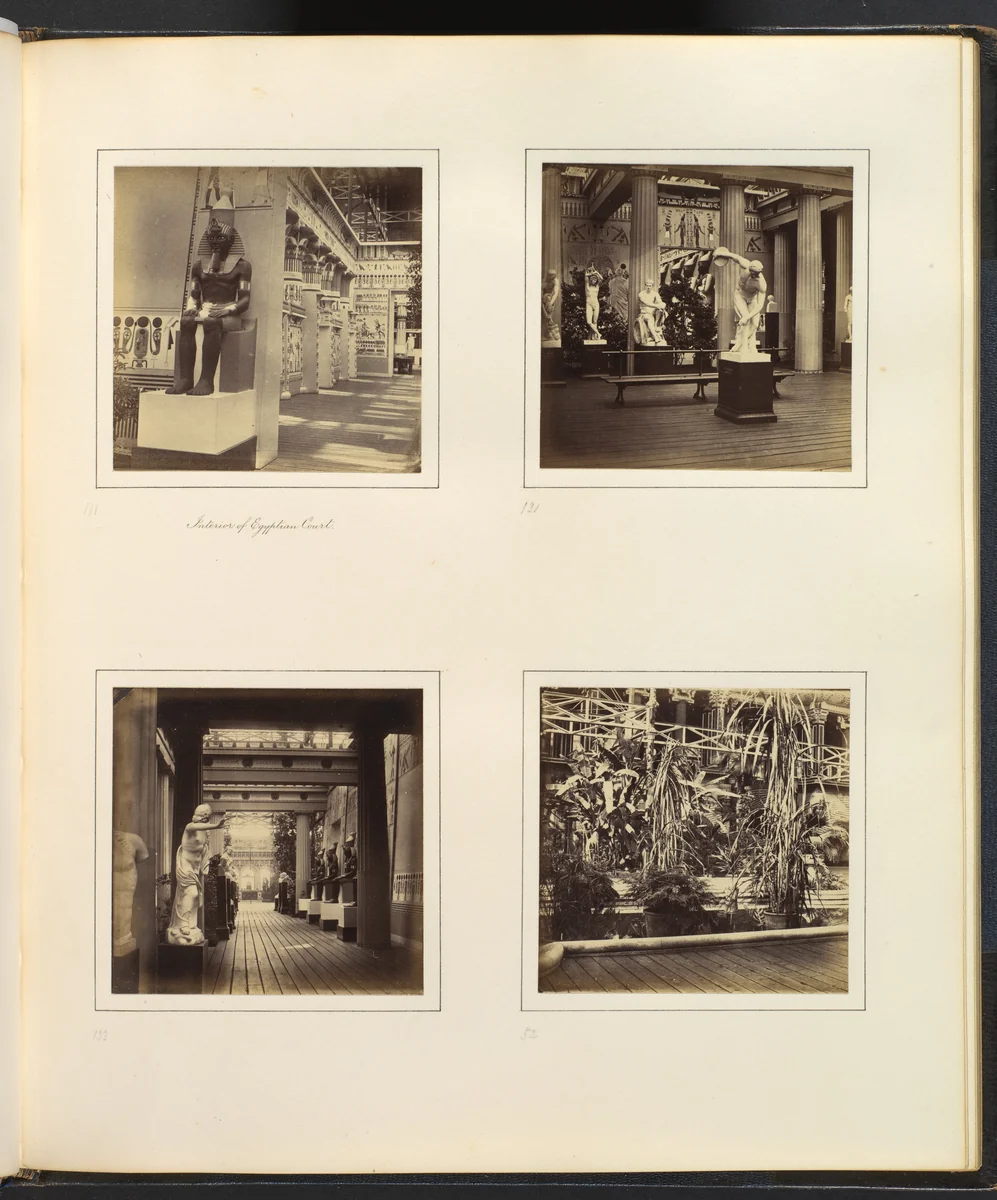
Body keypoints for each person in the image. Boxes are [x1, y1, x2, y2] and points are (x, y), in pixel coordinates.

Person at [165, 216, 252, 396]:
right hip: (205, 309)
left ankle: (206, 381)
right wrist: (192, 306)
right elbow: (194, 296)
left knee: (212, 323)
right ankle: (185, 379)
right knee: (186, 321)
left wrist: (227, 310)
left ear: (231, 241)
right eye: (211, 238)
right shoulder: (198, 266)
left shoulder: (242, 266)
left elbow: (244, 300)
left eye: (220, 238)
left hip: (229, 313)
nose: (215, 242)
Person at [166, 804, 224, 946]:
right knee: (191, 893)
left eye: (207, 815)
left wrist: (204, 867)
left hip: (195, 868)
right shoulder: (190, 827)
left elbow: (203, 849)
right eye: (204, 814)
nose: (205, 817)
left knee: (194, 896)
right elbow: (196, 827)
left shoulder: (204, 832)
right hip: (185, 866)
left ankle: (189, 924)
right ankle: (183, 925)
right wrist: (216, 826)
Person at [712, 248, 767, 354]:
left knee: (755, 324)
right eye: (752, 271)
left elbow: (760, 305)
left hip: (752, 299)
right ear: (750, 268)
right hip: (740, 296)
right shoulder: (747, 265)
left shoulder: (762, 284)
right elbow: (736, 257)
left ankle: (740, 342)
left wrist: (747, 317)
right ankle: (745, 347)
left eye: (755, 273)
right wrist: (721, 253)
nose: (753, 274)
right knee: (745, 322)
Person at [635, 279, 667, 346]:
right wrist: (657, 306)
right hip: (644, 314)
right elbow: (647, 303)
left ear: (652, 286)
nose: (648, 287)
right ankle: (655, 337)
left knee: (661, 310)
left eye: (650, 286)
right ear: (645, 286)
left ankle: (656, 325)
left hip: (653, 313)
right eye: (647, 285)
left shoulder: (655, 294)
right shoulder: (641, 294)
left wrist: (662, 305)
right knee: (649, 319)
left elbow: (660, 302)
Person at [583, 263, 603, 339]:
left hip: (596, 304)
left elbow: (601, 279)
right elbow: (586, 275)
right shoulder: (587, 285)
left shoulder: (597, 286)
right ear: (590, 280)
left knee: (595, 321)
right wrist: (591, 273)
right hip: (589, 303)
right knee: (589, 321)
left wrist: (596, 272)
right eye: (592, 279)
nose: (594, 281)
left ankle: (592, 336)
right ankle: (598, 333)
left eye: (595, 279)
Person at [540, 269, 560, 344]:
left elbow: (555, 293)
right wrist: (543, 305)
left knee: (548, 317)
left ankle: (548, 334)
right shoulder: (544, 282)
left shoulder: (555, 281)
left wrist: (551, 303)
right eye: (550, 275)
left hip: (550, 300)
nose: (552, 277)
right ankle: (546, 334)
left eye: (554, 275)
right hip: (544, 300)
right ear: (548, 275)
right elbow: (540, 294)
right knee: (545, 318)